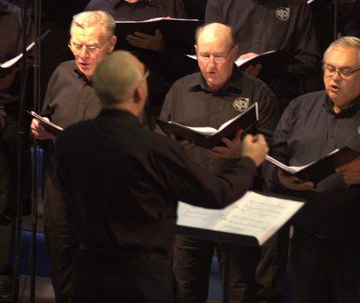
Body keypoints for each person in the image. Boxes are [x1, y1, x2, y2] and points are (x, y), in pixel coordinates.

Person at [53, 50, 269, 302]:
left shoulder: (70, 140)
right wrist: (248, 161)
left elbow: (64, 191)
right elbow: (218, 194)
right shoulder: (155, 149)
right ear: (140, 92)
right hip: (141, 277)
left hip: (88, 271)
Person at [267, 37, 360, 303]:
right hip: (306, 240)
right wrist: (282, 178)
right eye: (330, 69)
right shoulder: (300, 107)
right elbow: (273, 159)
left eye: (346, 71)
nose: (335, 78)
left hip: (359, 243)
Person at [160, 22, 279, 303]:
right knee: (184, 290)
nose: (210, 65)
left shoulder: (258, 92)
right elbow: (160, 144)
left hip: (238, 207)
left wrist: (242, 153)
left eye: (219, 56)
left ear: (234, 53)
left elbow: (275, 152)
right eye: (204, 56)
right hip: (191, 204)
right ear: (195, 52)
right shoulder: (180, 89)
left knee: (239, 291)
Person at [30, 10, 116, 302]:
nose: (82, 54)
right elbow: (47, 116)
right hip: (60, 185)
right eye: (76, 45)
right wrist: (40, 129)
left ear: (111, 45)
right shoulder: (61, 73)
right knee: (62, 262)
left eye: (91, 47)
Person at [205, 0, 321, 108]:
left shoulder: (296, 6)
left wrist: (270, 66)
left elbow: (310, 61)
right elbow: (209, 54)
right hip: (229, 95)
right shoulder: (220, 2)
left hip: (278, 97)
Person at [0, 1, 32, 299]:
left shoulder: (16, 16)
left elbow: (30, 57)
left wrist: (16, 72)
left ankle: (2, 273)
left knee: (4, 196)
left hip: (8, 112)